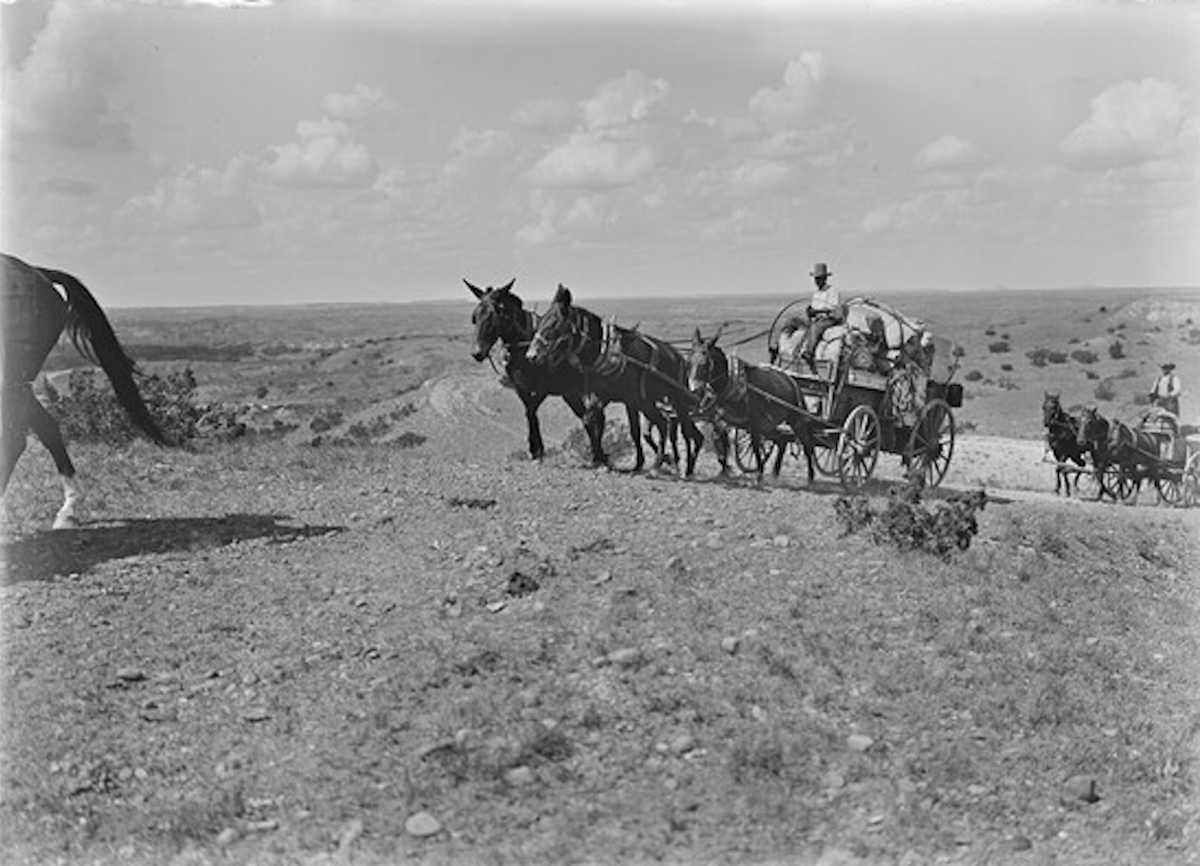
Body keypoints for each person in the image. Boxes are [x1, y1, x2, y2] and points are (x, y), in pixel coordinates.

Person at [800, 262, 843, 365]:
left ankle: (809, 352)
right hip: (817, 318)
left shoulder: (833, 291)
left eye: (819, 278)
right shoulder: (816, 293)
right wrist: (810, 311)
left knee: (816, 328)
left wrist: (818, 312)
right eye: (815, 279)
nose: (817, 281)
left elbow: (833, 309)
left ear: (825, 278)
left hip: (829, 319)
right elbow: (814, 306)